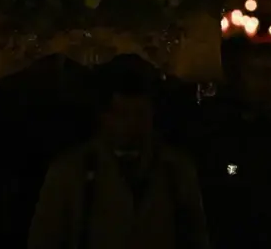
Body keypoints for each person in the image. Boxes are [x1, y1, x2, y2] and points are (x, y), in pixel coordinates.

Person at [28, 68, 209, 249]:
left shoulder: (176, 170)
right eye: (123, 114)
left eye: (140, 114)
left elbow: (196, 237)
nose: (132, 124)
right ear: (105, 118)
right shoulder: (70, 173)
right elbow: (45, 239)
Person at [199, 41, 271, 246]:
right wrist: (235, 170)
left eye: (268, 73)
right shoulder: (227, 120)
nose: (261, 81)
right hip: (231, 228)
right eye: (254, 72)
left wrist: (240, 169)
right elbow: (221, 165)